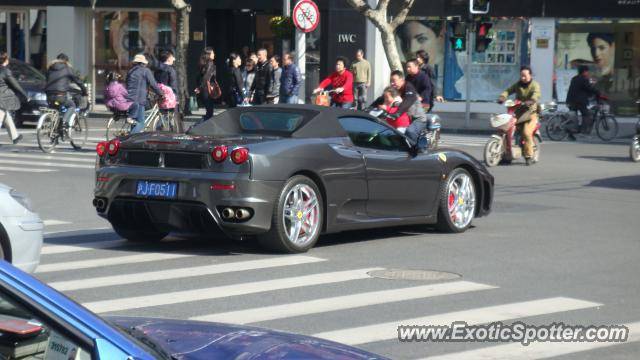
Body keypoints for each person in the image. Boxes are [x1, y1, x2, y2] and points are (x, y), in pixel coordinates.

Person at [498, 66, 541, 165]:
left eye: (525, 76)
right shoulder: (518, 85)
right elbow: (508, 91)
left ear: (530, 75)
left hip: (531, 113)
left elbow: (536, 94)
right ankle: (506, 155)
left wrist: (531, 100)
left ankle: (528, 156)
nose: (523, 78)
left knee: (526, 133)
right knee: (505, 129)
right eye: (521, 76)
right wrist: (502, 97)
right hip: (518, 113)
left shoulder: (535, 85)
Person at [371, 70, 427, 144]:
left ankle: (419, 150)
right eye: (391, 81)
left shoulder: (409, 88)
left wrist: (397, 113)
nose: (392, 83)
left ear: (402, 80)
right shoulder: (395, 89)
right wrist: (369, 108)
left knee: (410, 131)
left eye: (394, 81)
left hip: (417, 119)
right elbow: (382, 98)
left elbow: (407, 101)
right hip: (406, 118)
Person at [44, 53, 87, 128]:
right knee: (71, 106)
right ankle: (64, 121)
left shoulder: (50, 67)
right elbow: (78, 81)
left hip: (49, 94)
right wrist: (84, 91)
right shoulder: (67, 68)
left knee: (56, 109)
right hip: (60, 94)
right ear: (66, 61)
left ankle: (55, 129)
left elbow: (49, 80)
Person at [126, 53, 163, 133]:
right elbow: (153, 84)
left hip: (129, 99)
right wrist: (161, 93)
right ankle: (130, 139)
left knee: (135, 123)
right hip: (138, 100)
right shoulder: (145, 71)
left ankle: (133, 141)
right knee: (141, 123)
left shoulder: (130, 71)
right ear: (143, 63)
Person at [566, 65, 601, 140]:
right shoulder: (584, 79)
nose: (588, 73)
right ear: (584, 72)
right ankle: (583, 132)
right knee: (586, 115)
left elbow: (582, 89)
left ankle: (571, 134)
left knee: (573, 118)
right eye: (587, 71)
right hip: (579, 101)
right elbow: (589, 88)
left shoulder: (574, 78)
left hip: (571, 100)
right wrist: (597, 92)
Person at [0, 52, 27, 144]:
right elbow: (16, 85)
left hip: (2, 101)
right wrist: (25, 95)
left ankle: (15, 136)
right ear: (6, 60)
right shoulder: (5, 71)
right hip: (1, 99)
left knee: (6, 116)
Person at [195, 47, 217, 121]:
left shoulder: (202, 64)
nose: (214, 54)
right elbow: (206, 78)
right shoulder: (210, 64)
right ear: (209, 54)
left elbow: (198, 78)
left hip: (203, 91)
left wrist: (198, 87)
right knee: (210, 112)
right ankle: (197, 126)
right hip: (207, 90)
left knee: (209, 111)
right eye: (213, 53)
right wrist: (200, 88)